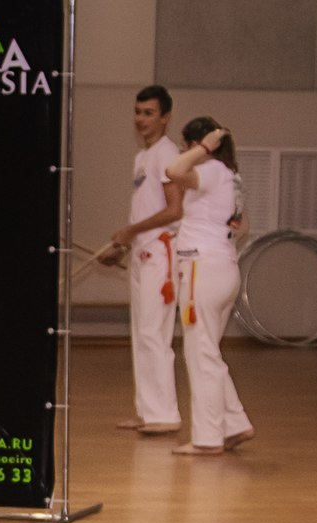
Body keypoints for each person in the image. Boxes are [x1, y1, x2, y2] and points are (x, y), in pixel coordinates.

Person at [164, 118, 254, 457]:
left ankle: (207, 438)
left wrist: (204, 147)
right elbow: (243, 227)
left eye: (188, 145)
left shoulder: (213, 169)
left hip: (202, 270)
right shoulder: (232, 177)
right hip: (221, 269)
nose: (187, 152)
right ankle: (234, 423)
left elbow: (174, 170)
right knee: (207, 352)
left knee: (201, 355)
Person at [99, 86, 185, 436]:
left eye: (149, 113)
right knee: (141, 333)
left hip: (161, 254)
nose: (141, 119)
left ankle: (164, 414)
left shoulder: (169, 155)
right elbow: (147, 206)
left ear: (165, 117)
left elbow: (175, 209)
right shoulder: (142, 157)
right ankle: (147, 410)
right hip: (141, 253)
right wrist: (121, 245)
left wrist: (131, 230)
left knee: (154, 333)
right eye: (138, 112)